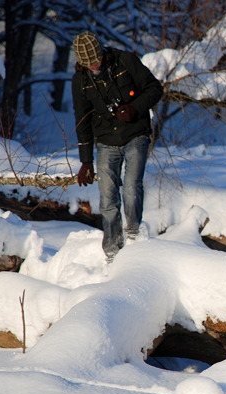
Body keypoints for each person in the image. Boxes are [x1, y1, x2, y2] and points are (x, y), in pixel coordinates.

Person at [71, 31, 163, 262]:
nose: (94, 66)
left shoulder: (125, 61)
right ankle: (112, 252)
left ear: (101, 52)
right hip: (105, 142)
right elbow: (82, 120)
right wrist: (85, 162)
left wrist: (135, 108)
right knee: (107, 200)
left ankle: (133, 235)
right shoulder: (80, 81)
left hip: (135, 135)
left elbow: (154, 89)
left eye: (96, 60)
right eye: (88, 63)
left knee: (131, 187)